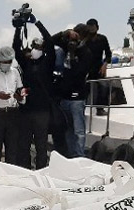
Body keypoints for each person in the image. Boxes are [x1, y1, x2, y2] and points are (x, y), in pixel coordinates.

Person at [14, 14, 56, 169]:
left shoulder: (48, 63)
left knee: (41, 145)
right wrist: (18, 27)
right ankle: (25, 170)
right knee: (23, 143)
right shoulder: (26, 64)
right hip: (26, 110)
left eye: (38, 47)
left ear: (43, 50)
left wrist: (37, 23)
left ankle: (42, 171)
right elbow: (16, 48)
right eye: (33, 47)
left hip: (42, 111)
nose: (35, 50)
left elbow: (50, 42)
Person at [52, 25, 92, 158]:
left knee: (78, 131)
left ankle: (79, 156)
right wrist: (65, 33)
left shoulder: (86, 53)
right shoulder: (65, 47)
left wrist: (73, 54)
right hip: (64, 97)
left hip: (77, 98)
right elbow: (49, 41)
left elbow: (79, 73)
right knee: (67, 129)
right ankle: (69, 155)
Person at [85, 19, 112, 117]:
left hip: (99, 67)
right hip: (86, 68)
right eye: (90, 27)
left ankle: (100, 109)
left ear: (97, 27)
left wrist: (105, 65)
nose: (92, 29)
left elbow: (108, 54)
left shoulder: (102, 39)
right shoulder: (84, 41)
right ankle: (82, 108)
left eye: (93, 26)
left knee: (104, 87)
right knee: (84, 89)